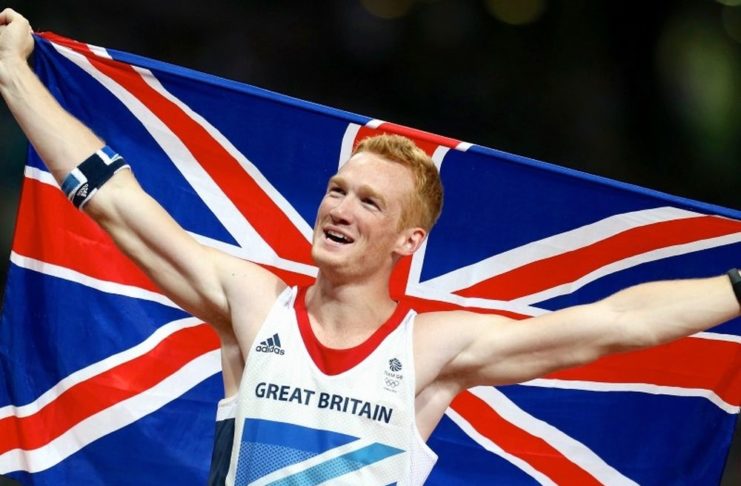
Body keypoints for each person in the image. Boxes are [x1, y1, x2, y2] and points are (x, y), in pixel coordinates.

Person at [1, 8, 739, 485]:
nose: (339, 208)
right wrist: (14, 77)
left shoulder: (432, 350)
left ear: (408, 241)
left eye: (368, 201)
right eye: (337, 189)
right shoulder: (254, 304)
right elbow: (117, 202)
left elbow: (617, 323)